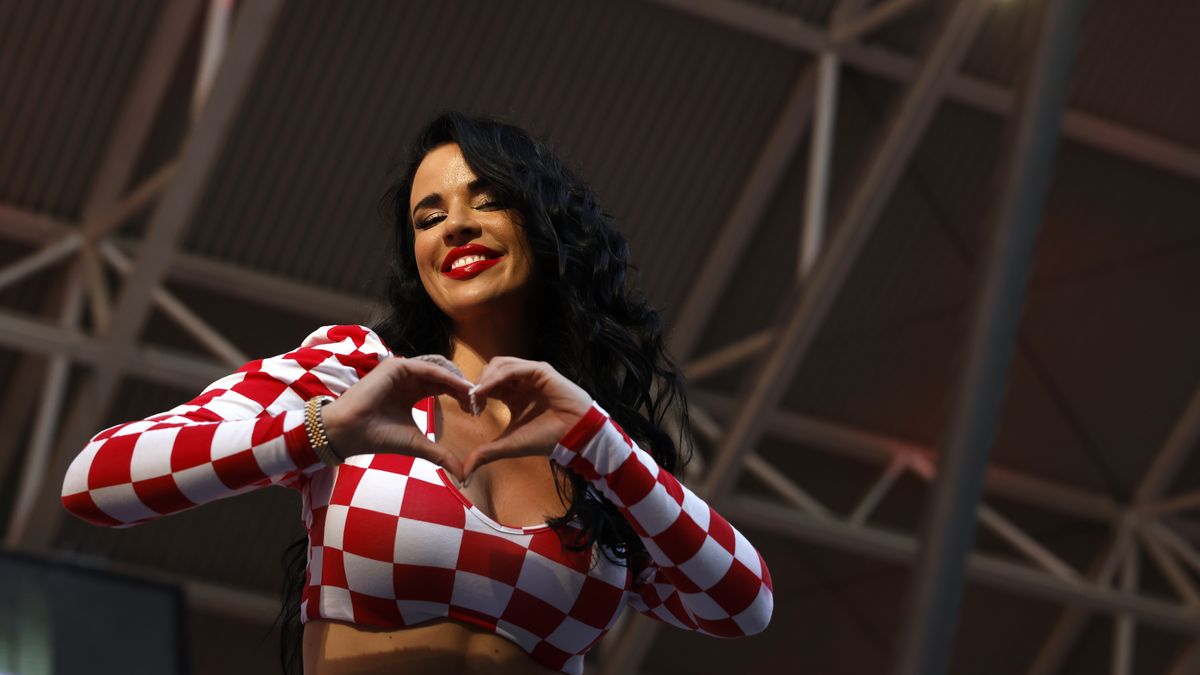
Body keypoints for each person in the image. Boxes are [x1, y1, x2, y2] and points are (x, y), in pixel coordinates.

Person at [61, 112, 774, 674]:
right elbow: (93, 482)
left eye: (487, 199)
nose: (455, 224)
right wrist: (323, 431)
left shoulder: (591, 447)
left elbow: (746, 604)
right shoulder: (357, 370)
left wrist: (602, 442)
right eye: (428, 217)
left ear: (548, 227)